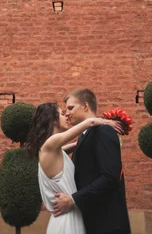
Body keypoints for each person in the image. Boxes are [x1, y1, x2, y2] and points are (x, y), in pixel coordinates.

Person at [25, 102, 123, 234]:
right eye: (61, 113)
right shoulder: (51, 144)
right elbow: (90, 123)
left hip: (68, 215)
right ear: (52, 119)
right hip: (67, 220)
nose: (66, 116)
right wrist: (107, 123)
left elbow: (75, 145)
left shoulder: (53, 150)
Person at [53, 88, 131, 234]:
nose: (67, 113)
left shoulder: (103, 131)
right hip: (93, 222)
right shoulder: (84, 135)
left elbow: (110, 177)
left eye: (71, 107)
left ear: (85, 106)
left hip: (108, 224)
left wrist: (73, 200)